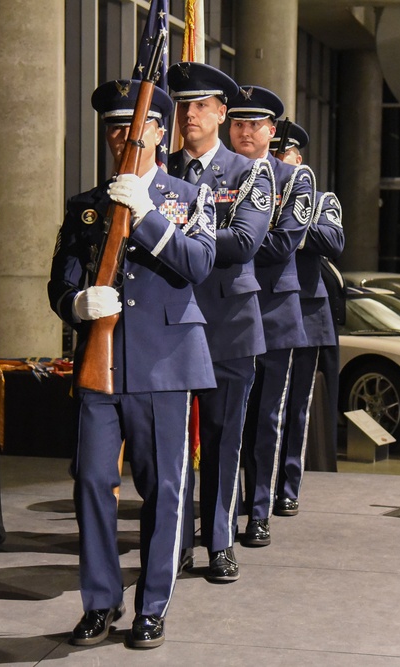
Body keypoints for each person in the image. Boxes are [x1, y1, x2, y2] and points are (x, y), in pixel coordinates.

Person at [47, 78, 218, 649]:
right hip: (103, 365)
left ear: (160, 131)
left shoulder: (188, 198)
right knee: (93, 481)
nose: (123, 135)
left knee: (164, 488)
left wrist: (147, 216)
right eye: (114, 128)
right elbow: (60, 283)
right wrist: (77, 304)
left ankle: (153, 605)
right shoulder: (85, 208)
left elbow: (198, 264)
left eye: (135, 124)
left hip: (165, 363)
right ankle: (100, 602)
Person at [166, 62, 274, 583]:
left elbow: (247, 241)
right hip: (169, 325)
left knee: (224, 437)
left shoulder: (249, 172)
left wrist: (174, 236)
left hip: (228, 322)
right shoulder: (159, 171)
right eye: (183, 105)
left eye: (201, 105)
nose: (189, 114)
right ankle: (177, 540)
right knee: (171, 443)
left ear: (221, 114)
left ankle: (220, 540)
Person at [227, 86, 316, 548]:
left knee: (266, 418)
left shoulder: (294, 179)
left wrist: (229, 243)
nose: (245, 131)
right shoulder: (214, 173)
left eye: (255, 124)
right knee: (225, 422)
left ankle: (258, 509)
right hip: (223, 310)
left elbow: (284, 244)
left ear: (271, 131)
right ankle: (220, 512)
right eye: (238, 123)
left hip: (274, 310)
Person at [269, 123, 345, 513]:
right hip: (262, 310)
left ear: (298, 160)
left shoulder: (319, 199)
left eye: (282, 155)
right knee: (260, 409)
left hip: (305, 312)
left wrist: (289, 226)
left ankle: (287, 487)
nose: (276, 161)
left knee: (296, 406)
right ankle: (258, 488)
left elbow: (333, 241)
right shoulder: (253, 193)